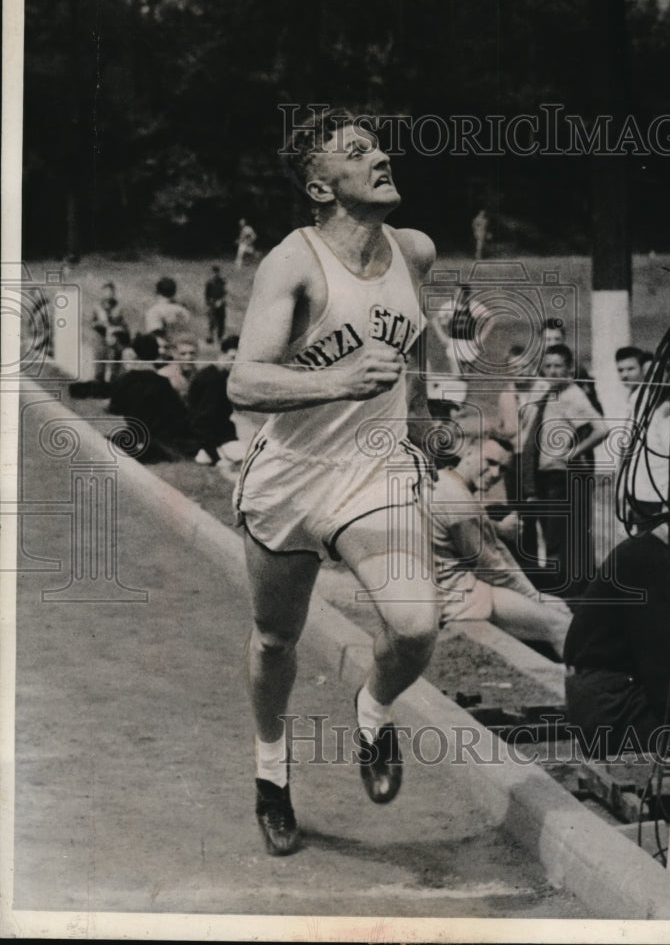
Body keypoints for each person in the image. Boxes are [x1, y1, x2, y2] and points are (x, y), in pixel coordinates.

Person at [227, 108, 439, 856]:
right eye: (357, 151)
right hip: (290, 476)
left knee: (415, 629)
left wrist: (416, 418)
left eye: (377, 143)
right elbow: (245, 382)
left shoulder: (416, 251)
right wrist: (342, 381)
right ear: (321, 184)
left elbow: (411, 350)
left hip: (373, 472)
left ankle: (373, 714)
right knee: (277, 638)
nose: (380, 154)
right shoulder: (294, 261)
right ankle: (271, 775)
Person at [563, 468, 670, 756]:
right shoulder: (649, 562)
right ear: (669, 513)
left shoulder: (654, 552)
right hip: (609, 706)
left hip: (605, 693)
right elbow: (661, 665)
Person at [431, 434, 572, 658]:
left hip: (444, 588)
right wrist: (537, 598)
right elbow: (495, 570)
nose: (495, 474)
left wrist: (495, 527)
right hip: (458, 597)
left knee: (551, 612)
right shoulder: (461, 501)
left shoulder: (443, 481)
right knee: (563, 625)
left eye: (503, 469)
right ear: (469, 453)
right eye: (490, 462)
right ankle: (575, 688)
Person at [520, 343, 609, 597]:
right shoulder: (552, 394)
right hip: (548, 476)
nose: (552, 371)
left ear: (569, 369)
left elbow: (602, 429)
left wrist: (574, 451)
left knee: (560, 537)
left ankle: (564, 591)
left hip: (561, 476)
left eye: (558, 366)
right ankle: (567, 588)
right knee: (554, 535)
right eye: (547, 366)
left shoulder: (572, 394)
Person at [108, 333, 195, 463]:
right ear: (156, 354)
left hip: (134, 431)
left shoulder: (125, 379)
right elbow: (178, 414)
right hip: (158, 436)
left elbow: (114, 407)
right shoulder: (161, 382)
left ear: (136, 354)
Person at [188, 335, 240, 465]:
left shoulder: (221, 376)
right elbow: (201, 421)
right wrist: (216, 457)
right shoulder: (212, 379)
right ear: (222, 355)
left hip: (218, 437)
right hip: (202, 440)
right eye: (232, 358)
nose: (235, 363)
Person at [157, 332, 199, 404]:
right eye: (183, 354)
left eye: (192, 353)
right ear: (174, 354)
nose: (188, 358)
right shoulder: (164, 375)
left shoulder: (200, 374)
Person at [205, 265, 227, 344]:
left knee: (221, 321)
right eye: (213, 273)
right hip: (212, 303)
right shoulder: (209, 282)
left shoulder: (222, 282)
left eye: (216, 272)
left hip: (221, 303)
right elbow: (207, 294)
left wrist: (221, 301)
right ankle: (210, 336)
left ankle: (220, 337)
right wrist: (209, 303)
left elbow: (224, 293)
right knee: (212, 321)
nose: (215, 274)